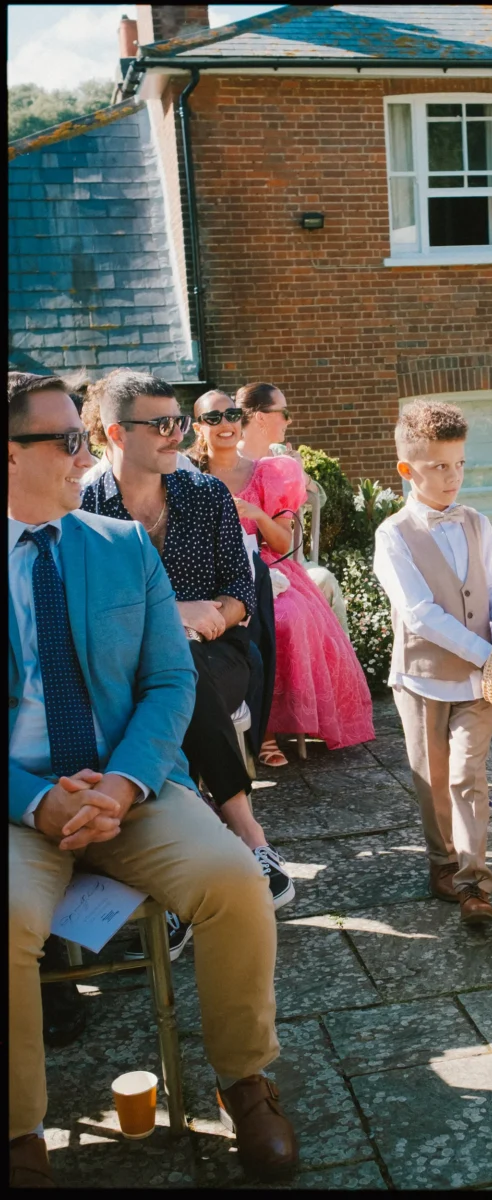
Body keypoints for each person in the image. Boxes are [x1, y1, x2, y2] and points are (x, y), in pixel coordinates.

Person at [8, 372, 297, 1185]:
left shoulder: (119, 546)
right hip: (17, 804)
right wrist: (36, 798)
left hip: (134, 790)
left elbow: (173, 683)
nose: (82, 456)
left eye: (81, 438)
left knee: (236, 883)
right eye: (64, 441)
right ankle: (21, 1132)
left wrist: (125, 785)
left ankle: (245, 1081)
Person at [79, 370, 294, 914]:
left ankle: (224, 848)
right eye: (160, 424)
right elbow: (88, 612)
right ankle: (226, 845)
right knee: (169, 672)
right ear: (116, 435)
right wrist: (172, 614)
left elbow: (242, 593)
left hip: (218, 653)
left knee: (181, 669)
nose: (177, 433)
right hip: (118, 668)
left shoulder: (206, 494)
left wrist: (205, 619)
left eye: (177, 420)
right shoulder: (83, 510)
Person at [373, 401, 492, 925]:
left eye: (458, 463)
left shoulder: (478, 523)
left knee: (466, 775)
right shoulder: (392, 535)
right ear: (407, 470)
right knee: (433, 780)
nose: (452, 476)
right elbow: (419, 614)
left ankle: (474, 882)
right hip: (422, 679)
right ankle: (442, 860)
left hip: (480, 682)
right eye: (438, 466)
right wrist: (487, 653)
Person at [191, 388, 375, 767]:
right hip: (207, 573)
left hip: (270, 567)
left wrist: (255, 513)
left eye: (230, 416)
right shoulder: (187, 477)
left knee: (285, 617)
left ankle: (274, 727)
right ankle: (257, 730)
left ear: (240, 421)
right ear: (198, 427)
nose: (224, 424)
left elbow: (283, 541)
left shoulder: (271, 472)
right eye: (212, 418)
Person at [236, 381, 349, 635]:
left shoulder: (280, 462)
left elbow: (318, 498)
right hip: (243, 562)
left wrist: (299, 475)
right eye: (284, 413)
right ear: (260, 417)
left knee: (322, 582)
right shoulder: (229, 461)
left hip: (287, 559)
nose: (289, 421)